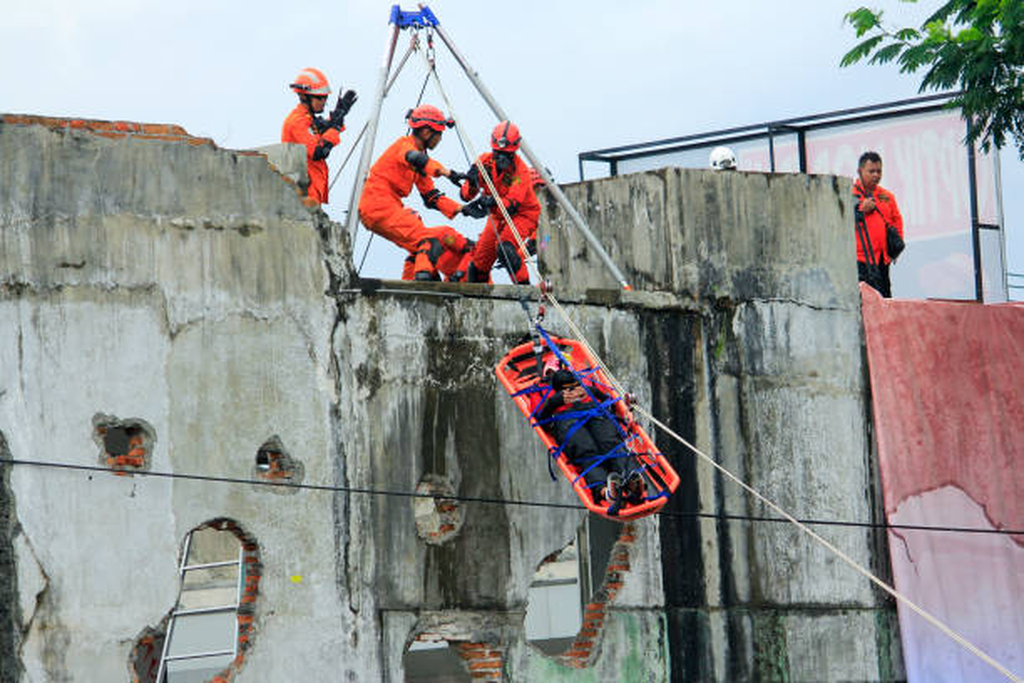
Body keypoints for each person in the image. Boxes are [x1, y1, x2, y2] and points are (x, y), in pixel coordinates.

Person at [357, 105, 479, 281]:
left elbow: (431, 197)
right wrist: (448, 173)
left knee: (419, 247)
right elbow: (414, 158)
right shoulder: (405, 146)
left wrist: (462, 208)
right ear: (427, 133)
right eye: (439, 134)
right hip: (379, 204)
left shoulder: (419, 160)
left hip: (385, 206)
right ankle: (422, 282)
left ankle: (413, 284)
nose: (440, 139)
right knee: (429, 240)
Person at [536, 368, 643, 512]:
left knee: (611, 443)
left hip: (592, 411)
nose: (572, 391)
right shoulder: (545, 396)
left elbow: (610, 403)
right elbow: (540, 422)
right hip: (566, 420)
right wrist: (554, 403)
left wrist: (592, 391)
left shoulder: (587, 387)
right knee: (587, 452)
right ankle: (605, 491)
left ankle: (632, 480)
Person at [459, 121, 541, 284]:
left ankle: (525, 290)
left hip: (522, 215)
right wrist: (472, 181)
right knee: (477, 266)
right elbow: (465, 195)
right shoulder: (484, 162)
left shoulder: (521, 172)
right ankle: (479, 299)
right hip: (497, 216)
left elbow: (511, 204)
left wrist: (490, 202)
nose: (501, 158)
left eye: (507, 154)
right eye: (498, 153)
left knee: (506, 249)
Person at [281, 67, 357, 204]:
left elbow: (320, 133)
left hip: (311, 194)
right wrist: (335, 127)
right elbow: (319, 151)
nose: (323, 102)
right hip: (302, 195)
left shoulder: (308, 120)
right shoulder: (297, 122)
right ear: (304, 97)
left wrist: (339, 115)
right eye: (320, 98)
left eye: (325, 98)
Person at [853, 151, 903, 297]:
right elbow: (839, 224)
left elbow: (896, 220)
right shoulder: (848, 194)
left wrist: (896, 246)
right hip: (859, 260)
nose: (876, 175)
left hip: (882, 259)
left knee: (885, 299)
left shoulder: (887, 196)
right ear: (860, 171)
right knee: (864, 302)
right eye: (871, 171)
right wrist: (861, 210)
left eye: (879, 171)